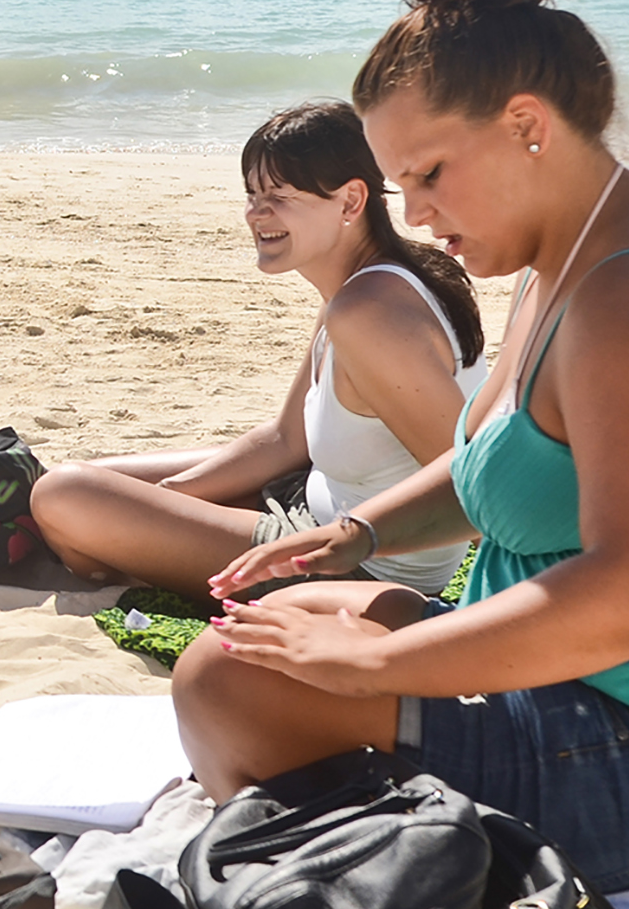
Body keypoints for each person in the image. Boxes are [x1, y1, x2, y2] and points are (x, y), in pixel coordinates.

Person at [172, 0, 629, 895]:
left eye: (428, 174)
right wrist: (351, 534)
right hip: (583, 692)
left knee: (224, 683)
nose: (418, 215)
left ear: (525, 125)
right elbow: (502, 463)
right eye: (398, 186)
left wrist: (372, 670)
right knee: (269, 623)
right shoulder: (563, 257)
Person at [30, 101, 487, 599]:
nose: (257, 213)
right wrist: (170, 497)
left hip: (354, 568)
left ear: (351, 201)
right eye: (252, 194)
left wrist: (351, 539)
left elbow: (475, 483)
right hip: (309, 497)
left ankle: (141, 570)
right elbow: (287, 439)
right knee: (90, 482)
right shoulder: (362, 286)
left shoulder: (367, 313)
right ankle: (145, 549)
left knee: (62, 496)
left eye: (279, 196)